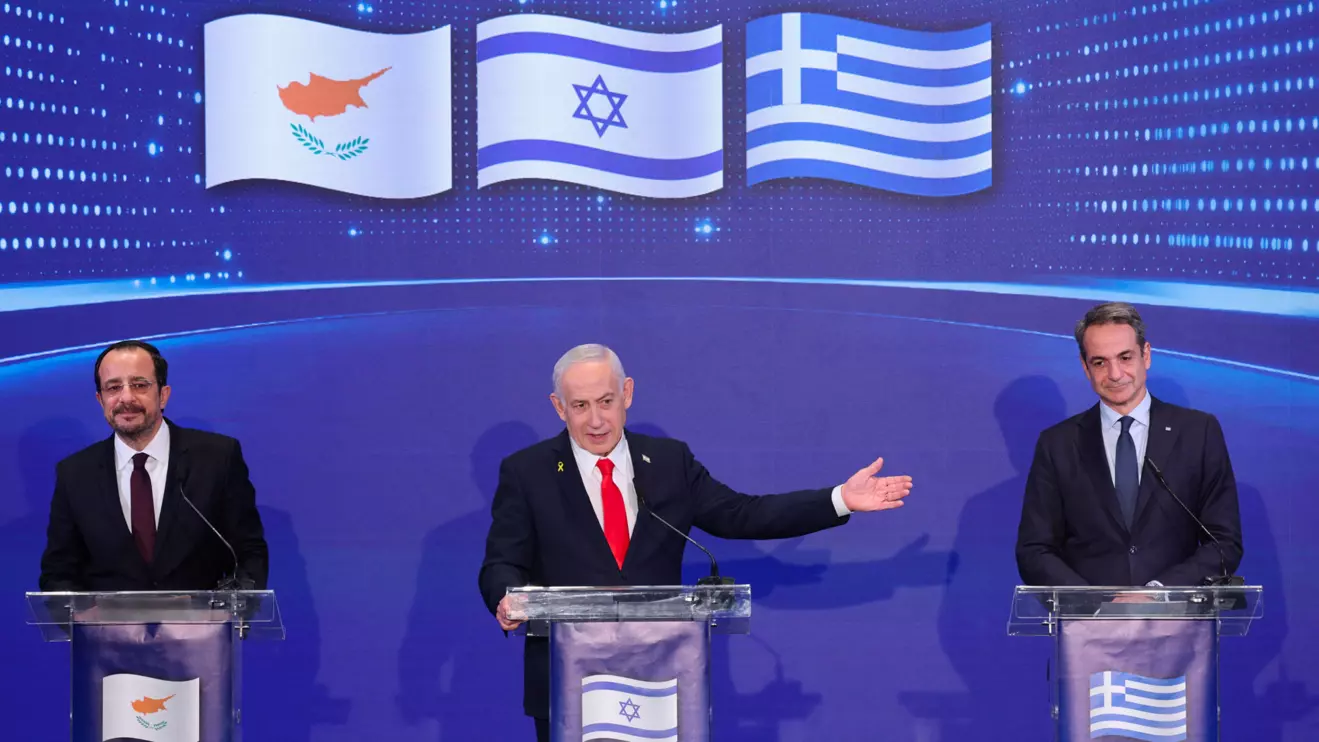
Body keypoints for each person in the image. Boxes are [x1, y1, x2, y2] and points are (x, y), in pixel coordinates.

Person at [479, 343, 914, 740]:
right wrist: (504, 597)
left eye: (607, 402)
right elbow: (502, 561)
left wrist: (839, 499)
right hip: (568, 681)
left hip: (660, 679)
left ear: (627, 393)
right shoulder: (528, 472)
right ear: (559, 408)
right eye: (580, 406)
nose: (596, 420)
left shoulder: (669, 463)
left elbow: (743, 513)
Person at [1016, 302, 1242, 588]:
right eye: (1100, 362)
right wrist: (1092, 603)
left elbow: (1223, 542)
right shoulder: (1058, 444)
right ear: (1085, 367)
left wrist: (1158, 592)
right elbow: (1034, 550)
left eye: (1125, 357)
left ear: (1145, 355)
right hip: (1089, 624)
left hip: (1177, 620)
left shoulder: (1198, 432)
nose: (1115, 374)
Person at [39, 340, 268, 591]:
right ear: (100, 400)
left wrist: (224, 614)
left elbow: (249, 553)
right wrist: (89, 619)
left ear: (163, 395)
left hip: (202, 627)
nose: (126, 398)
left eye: (139, 385)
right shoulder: (75, 474)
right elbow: (58, 571)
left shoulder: (217, 458)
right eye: (113, 387)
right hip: (110, 630)